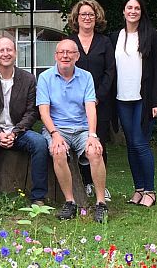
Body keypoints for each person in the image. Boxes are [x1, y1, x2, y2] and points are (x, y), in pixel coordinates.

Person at [0, 37, 48, 207]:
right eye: (1, 50)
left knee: (41, 143)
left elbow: (32, 112)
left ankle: (38, 197)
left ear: (16, 53)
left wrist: (14, 132)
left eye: (9, 50)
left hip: (18, 132)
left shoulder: (28, 79)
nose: (6, 54)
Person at [37, 39, 109, 223]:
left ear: (77, 56)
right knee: (58, 151)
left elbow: (91, 107)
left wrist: (92, 135)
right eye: (61, 52)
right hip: (57, 129)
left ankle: (101, 203)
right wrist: (54, 134)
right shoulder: (45, 77)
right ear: (55, 55)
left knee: (95, 151)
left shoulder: (86, 77)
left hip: (82, 129)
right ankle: (70, 202)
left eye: (70, 52)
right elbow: (43, 111)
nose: (65, 56)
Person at [110, 0, 157, 207]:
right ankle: (139, 189)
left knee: (140, 143)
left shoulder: (152, 37)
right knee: (131, 145)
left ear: (142, 12)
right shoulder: (115, 37)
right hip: (122, 98)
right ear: (123, 11)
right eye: (129, 7)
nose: (133, 11)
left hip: (144, 99)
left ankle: (150, 191)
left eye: (137, 8)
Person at [68, 0, 115, 202]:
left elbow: (110, 72)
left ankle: (100, 187)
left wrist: (97, 97)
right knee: (79, 142)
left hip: (100, 103)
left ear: (97, 18)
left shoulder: (105, 42)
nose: (87, 18)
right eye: (83, 14)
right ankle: (85, 183)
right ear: (76, 19)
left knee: (97, 143)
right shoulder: (70, 42)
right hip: (75, 104)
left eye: (91, 14)